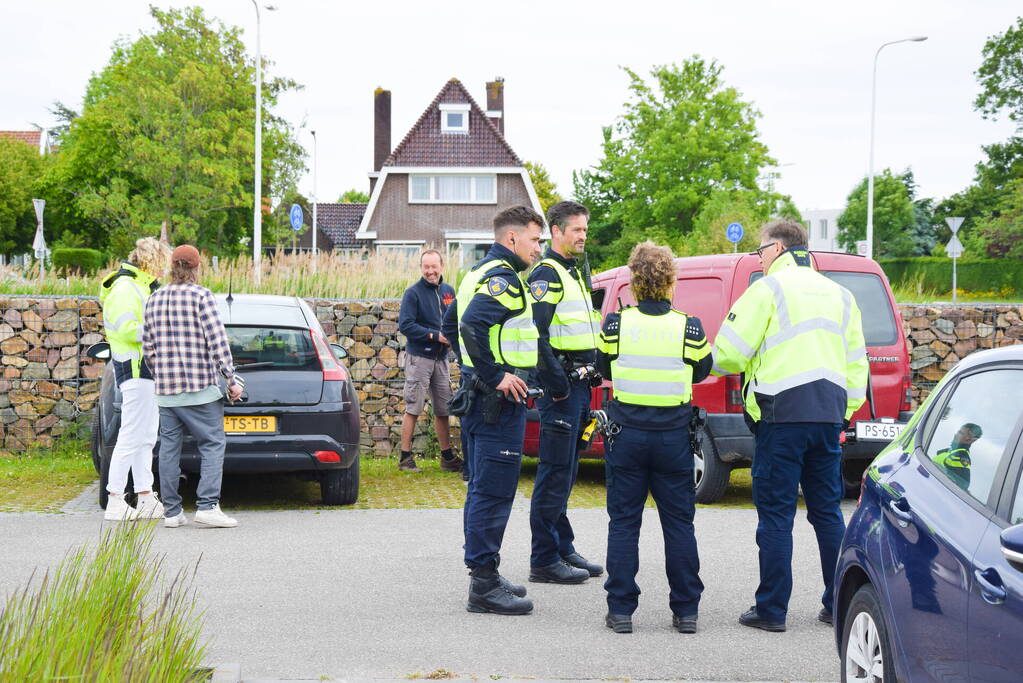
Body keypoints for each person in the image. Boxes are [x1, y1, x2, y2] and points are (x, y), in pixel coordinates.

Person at [710, 220, 869, 632]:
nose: (758, 258)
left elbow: (728, 353)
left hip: (780, 417)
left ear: (778, 248)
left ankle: (772, 610)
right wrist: (844, 412)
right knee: (828, 513)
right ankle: (838, 604)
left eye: (760, 250)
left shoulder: (767, 290)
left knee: (777, 516)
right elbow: (857, 365)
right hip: (828, 416)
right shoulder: (842, 295)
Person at [596, 241, 712, 635]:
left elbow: (602, 366)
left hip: (625, 434)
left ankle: (621, 611)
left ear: (634, 282)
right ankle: (686, 612)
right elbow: (702, 371)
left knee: (624, 523)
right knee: (679, 524)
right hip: (673, 437)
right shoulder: (689, 326)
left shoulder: (615, 324)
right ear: (670, 281)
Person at [443, 205, 543, 615]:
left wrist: (471, 369)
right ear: (512, 238)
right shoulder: (504, 281)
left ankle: (486, 573)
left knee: (481, 487)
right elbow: (468, 327)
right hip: (497, 403)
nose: (539, 249)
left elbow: (452, 323)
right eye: (536, 240)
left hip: (478, 397)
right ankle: (483, 585)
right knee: (494, 492)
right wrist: (495, 374)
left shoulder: (476, 275)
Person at [527, 200, 603, 584]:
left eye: (585, 230)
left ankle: (562, 547)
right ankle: (543, 558)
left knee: (568, 470)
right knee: (554, 472)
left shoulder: (574, 272)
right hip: (561, 389)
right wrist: (556, 385)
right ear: (556, 231)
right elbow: (535, 334)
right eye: (576, 230)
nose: (582, 236)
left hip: (578, 386)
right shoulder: (548, 274)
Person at [142, 245, 245, 529]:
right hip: (200, 389)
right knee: (212, 444)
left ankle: (172, 512)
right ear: (197, 268)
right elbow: (218, 343)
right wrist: (231, 380)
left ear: (172, 267)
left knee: (168, 450)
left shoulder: (155, 298)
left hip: (167, 392)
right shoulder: (202, 297)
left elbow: (147, 348)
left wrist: (161, 375)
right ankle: (208, 506)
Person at [98, 237, 172, 521]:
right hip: (136, 367)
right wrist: (163, 331)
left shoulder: (138, 286)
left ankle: (144, 496)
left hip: (146, 368)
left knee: (145, 436)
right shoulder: (125, 288)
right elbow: (127, 330)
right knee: (131, 434)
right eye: (162, 264)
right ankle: (115, 498)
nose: (164, 270)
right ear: (151, 261)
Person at [397, 248, 461, 474]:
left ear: (442, 266)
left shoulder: (449, 291)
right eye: (426, 267)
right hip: (419, 358)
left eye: (434, 267)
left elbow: (452, 320)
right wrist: (434, 336)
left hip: (441, 358)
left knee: (443, 409)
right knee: (414, 407)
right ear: (421, 268)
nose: (430, 271)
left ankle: (446, 457)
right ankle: (405, 458)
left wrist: (452, 337)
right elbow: (405, 325)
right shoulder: (412, 293)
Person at [933, 422, 982, 489]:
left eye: (960, 433)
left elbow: (960, 486)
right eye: (958, 432)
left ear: (968, 440)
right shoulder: (951, 451)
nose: (955, 435)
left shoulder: (959, 457)